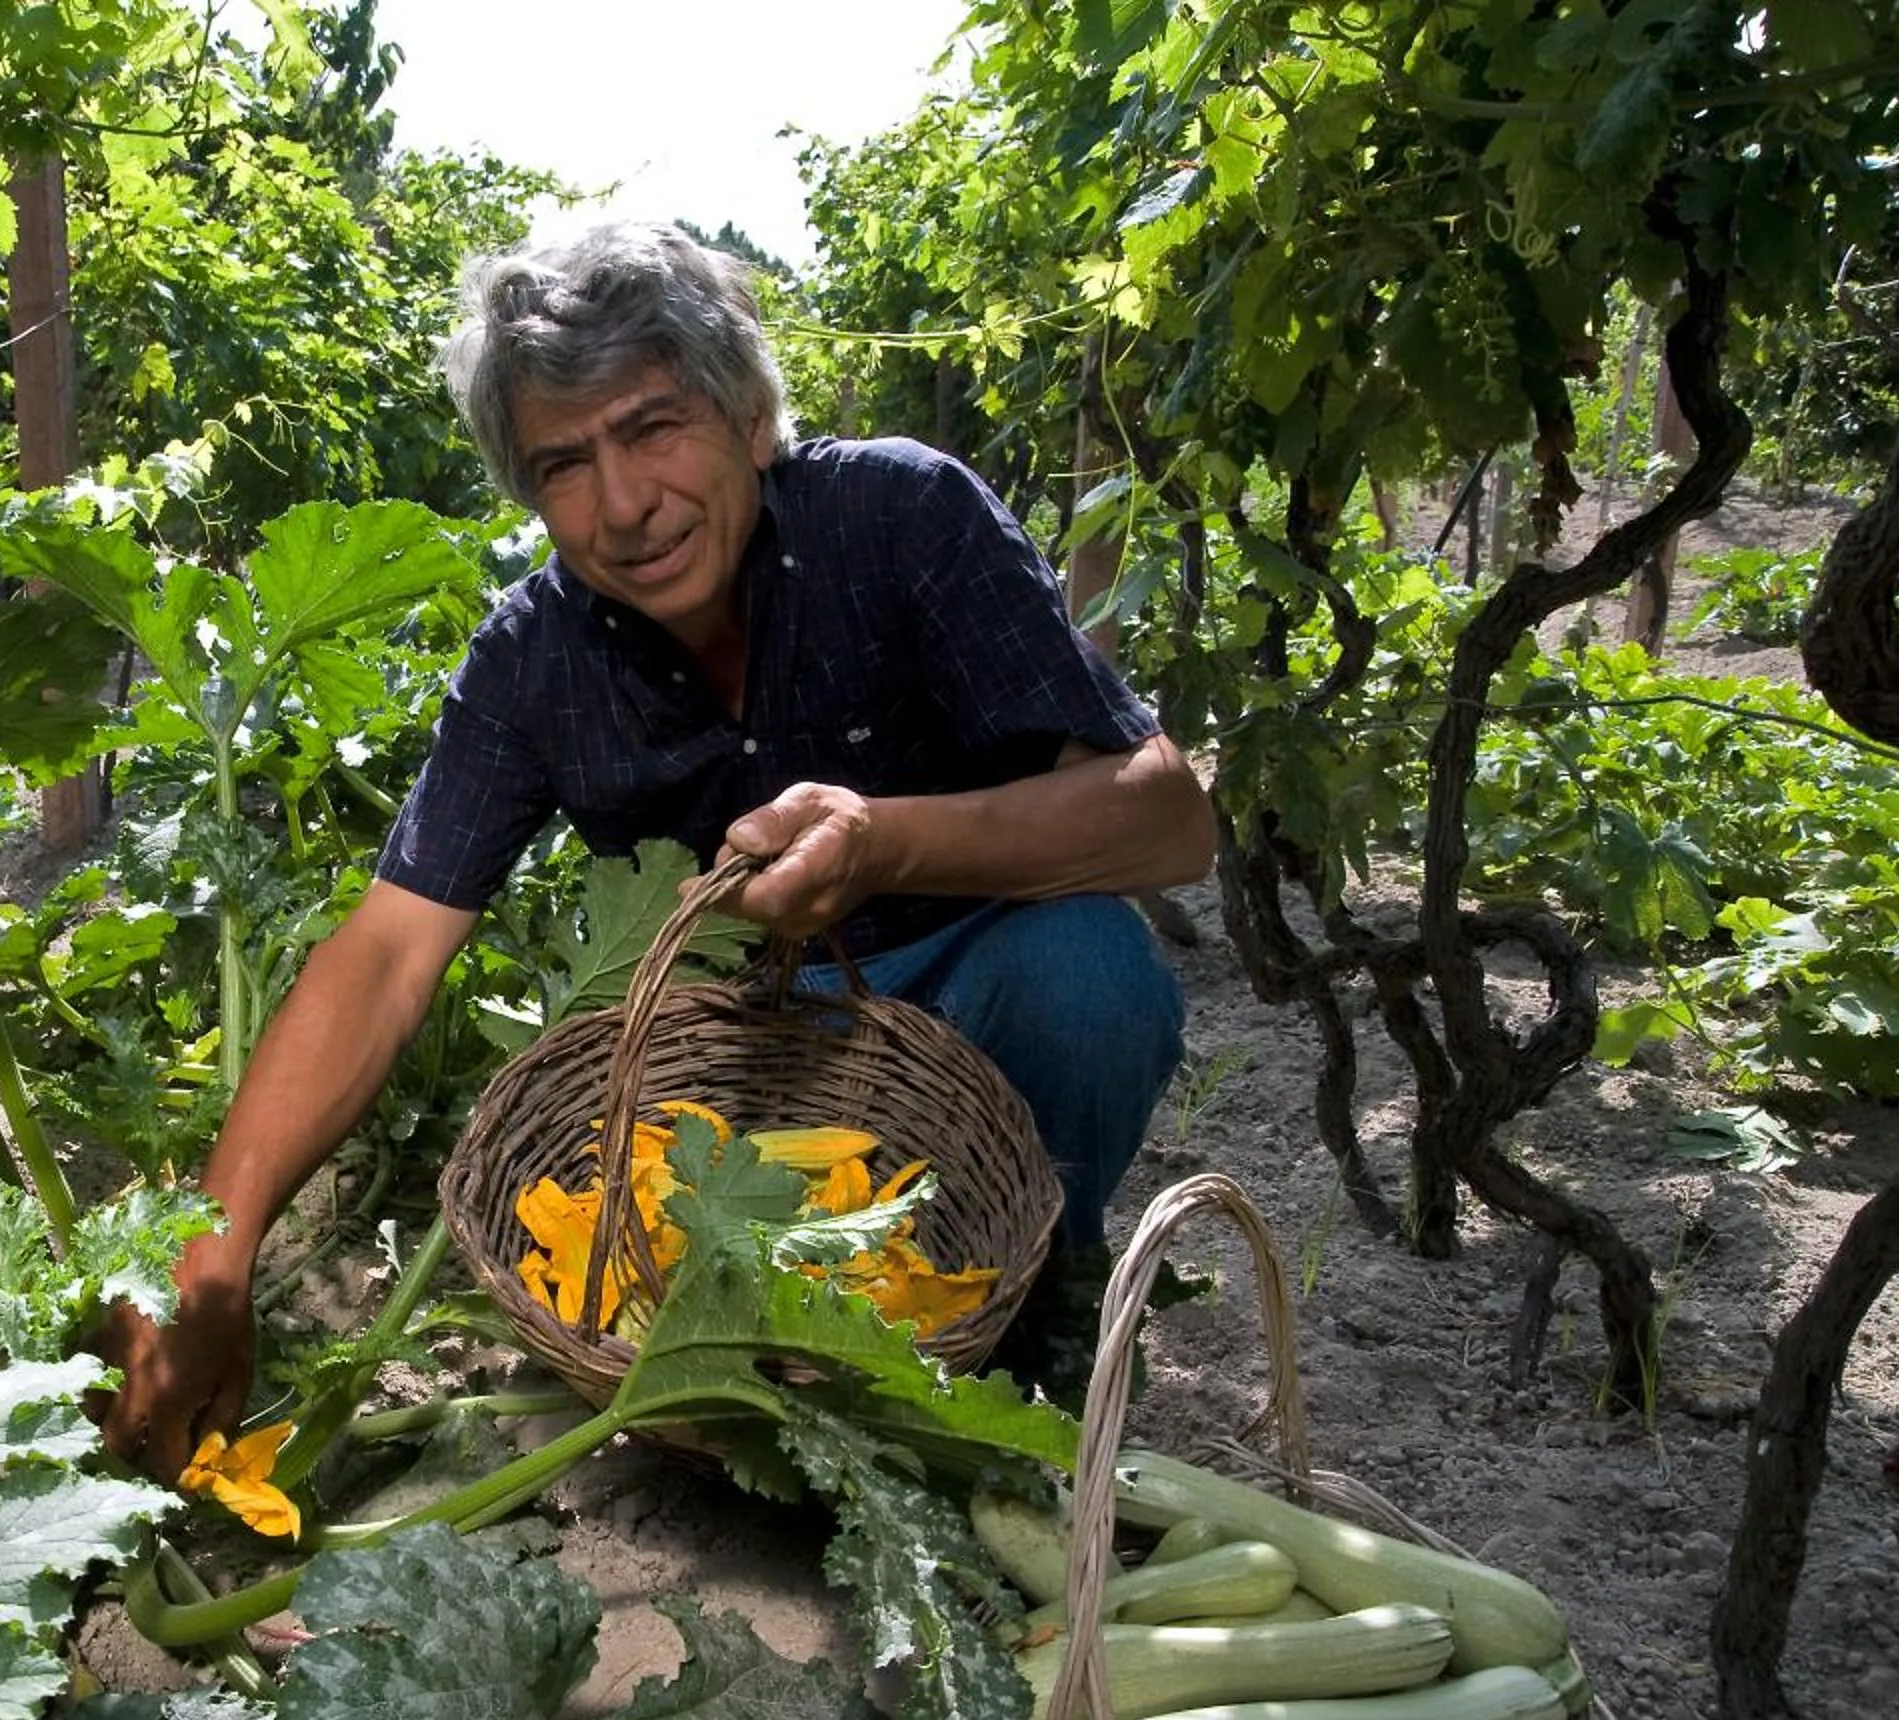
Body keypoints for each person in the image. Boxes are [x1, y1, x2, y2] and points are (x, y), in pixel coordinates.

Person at [96, 221, 1215, 1477]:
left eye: (652, 426)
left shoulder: (901, 517)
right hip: (743, 1062)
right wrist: (214, 1252)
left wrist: (883, 842)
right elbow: (387, 954)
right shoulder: (533, 658)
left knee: (1089, 976)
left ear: (747, 414)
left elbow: (1167, 817)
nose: (622, 505)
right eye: (564, 462)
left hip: (979, 1013)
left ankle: (1039, 1301)